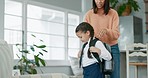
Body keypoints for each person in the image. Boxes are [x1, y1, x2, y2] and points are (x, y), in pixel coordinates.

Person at [83, 0, 120, 78]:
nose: (99, 2)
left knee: (115, 75)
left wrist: (107, 31)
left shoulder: (113, 13)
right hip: (96, 48)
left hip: (112, 48)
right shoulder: (89, 14)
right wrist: (83, 49)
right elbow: (85, 35)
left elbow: (116, 35)